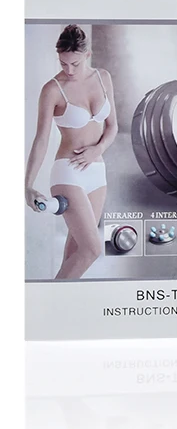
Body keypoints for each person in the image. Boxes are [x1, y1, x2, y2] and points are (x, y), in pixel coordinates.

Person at [24, 25, 117, 279]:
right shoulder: (53, 89)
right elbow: (41, 139)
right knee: (92, 249)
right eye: (63, 63)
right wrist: (27, 186)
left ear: (87, 55)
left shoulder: (103, 77)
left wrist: (97, 150)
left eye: (75, 63)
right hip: (68, 172)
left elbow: (112, 127)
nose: (69, 70)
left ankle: (59, 301)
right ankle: (53, 300)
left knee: (75, 253)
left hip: (97, 172)